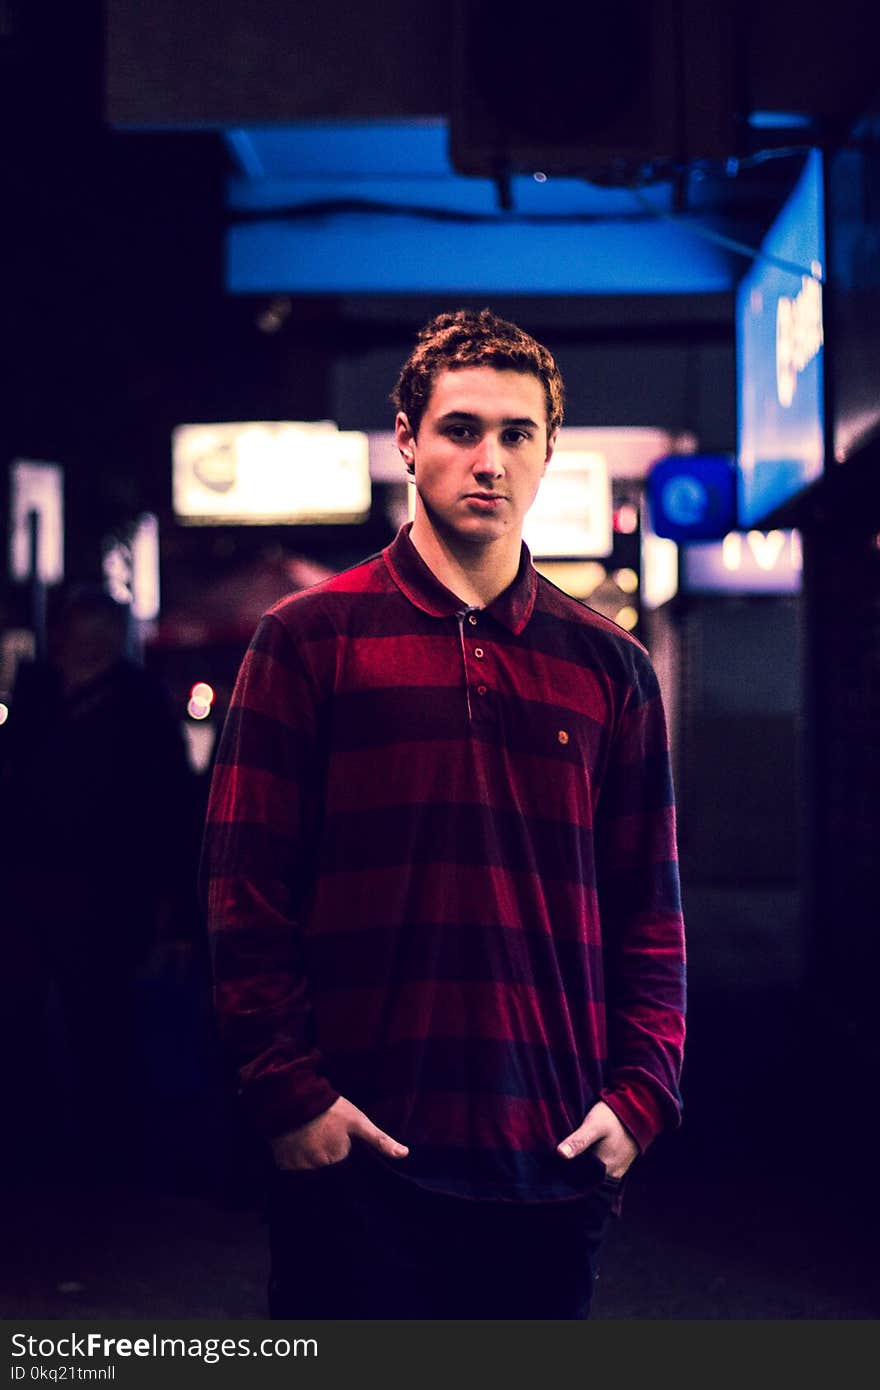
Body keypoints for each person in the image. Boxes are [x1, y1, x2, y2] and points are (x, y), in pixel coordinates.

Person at [200, 308, 686, 1319]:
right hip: (359, 1153)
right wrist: (288, 1092)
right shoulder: (309, 639)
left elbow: (650, 910)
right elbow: (243, 892)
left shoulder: (608, 667)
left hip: (548, 1157)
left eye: (517, 434)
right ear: (408, 440)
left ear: (549, 452)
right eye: (462, 428)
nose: (489, 458)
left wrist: (638, 1099)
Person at [0, 584, 203, 1189]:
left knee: (100, 1018)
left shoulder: (133, 704)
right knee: (29, 1018)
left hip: (104, 886)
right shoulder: (41, 697)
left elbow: (164, 804)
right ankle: (45, 1140)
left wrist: (168, 895)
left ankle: (105, 1146)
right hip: (37, 880)